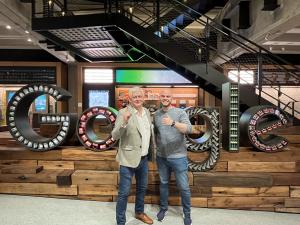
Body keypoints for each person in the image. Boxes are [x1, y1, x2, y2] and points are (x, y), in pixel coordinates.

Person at [112, 87, 154, 225]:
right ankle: (120, 221)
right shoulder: (123, 112)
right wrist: (124, 122)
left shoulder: (147, 112)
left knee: (142, 188)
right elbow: (114, 136)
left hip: (143, 158)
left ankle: (139, 212)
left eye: (139, 96)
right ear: (129, 99)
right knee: (124, 193)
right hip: (127, 159)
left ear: (143, 98)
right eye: (134, 97)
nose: (137, 99)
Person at [153, 89, 194, 225]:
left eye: (168, 96)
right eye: (163, 96)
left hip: (178, 157)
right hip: (162, 157)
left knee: (183, 187)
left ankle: (187, 213)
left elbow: (189, 129)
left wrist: (173, 123)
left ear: (172, 98)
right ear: (160, 98)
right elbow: (156, 134)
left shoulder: (180, 113)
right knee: (164, 184)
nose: (165, 98)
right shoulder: (156, 115)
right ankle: (163, 208)